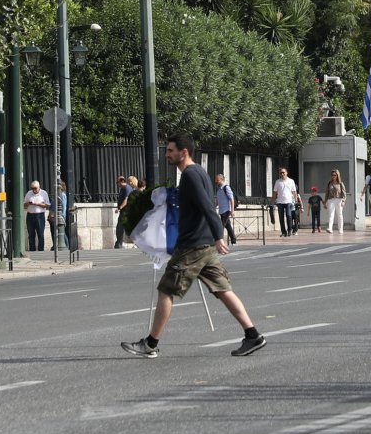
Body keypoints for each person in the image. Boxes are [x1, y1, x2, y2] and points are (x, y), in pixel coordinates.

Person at [121, 135, 266, 359]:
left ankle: (150, 344)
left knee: (166, 291)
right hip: (203, 244)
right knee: (223, 289)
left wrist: (219, 234)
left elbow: (207, 206)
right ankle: (253, 335)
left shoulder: (190, 175)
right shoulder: (197, 173)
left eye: (170, 150)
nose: (167, 154)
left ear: (184, 152)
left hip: (192, 246)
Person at [24, 179, 52, 251]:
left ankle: (41, 250)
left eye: (35, 188)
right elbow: (24, 205)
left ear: (39, 187)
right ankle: (32, 250)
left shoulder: (43, 193)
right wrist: (29, 203)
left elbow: (48, 205)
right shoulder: (29, 193)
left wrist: (38, 204)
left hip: (40, 215)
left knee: (40, 234)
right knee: (31, 234)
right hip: (30, 215)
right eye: (32, 188)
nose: (34, 190)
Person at [272, 167, 299, 236]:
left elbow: (294, 192)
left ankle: (289, 230)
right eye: (281, 173)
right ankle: (283, 232)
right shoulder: (277, 182)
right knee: (281, 217)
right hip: (280, 202)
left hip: (288, 201)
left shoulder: (291, 181)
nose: (282, 174)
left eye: (283, 172)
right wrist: (272, 201)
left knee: (289, 216)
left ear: (286, 173)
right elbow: (275, 192)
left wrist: (296, 201)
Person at [214, 171, 238, 245]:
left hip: (226, 210)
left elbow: (231, 199)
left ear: (222, 179)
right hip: (222, 211)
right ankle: (233, 241)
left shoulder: (226, 187)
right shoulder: (219, 190)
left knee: (221, 226)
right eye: (216, 180)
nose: (216, 182)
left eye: (217, 180)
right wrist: (213, 207)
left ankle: (218, 242)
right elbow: (218, 201)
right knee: (228, 226)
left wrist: (232, 210)